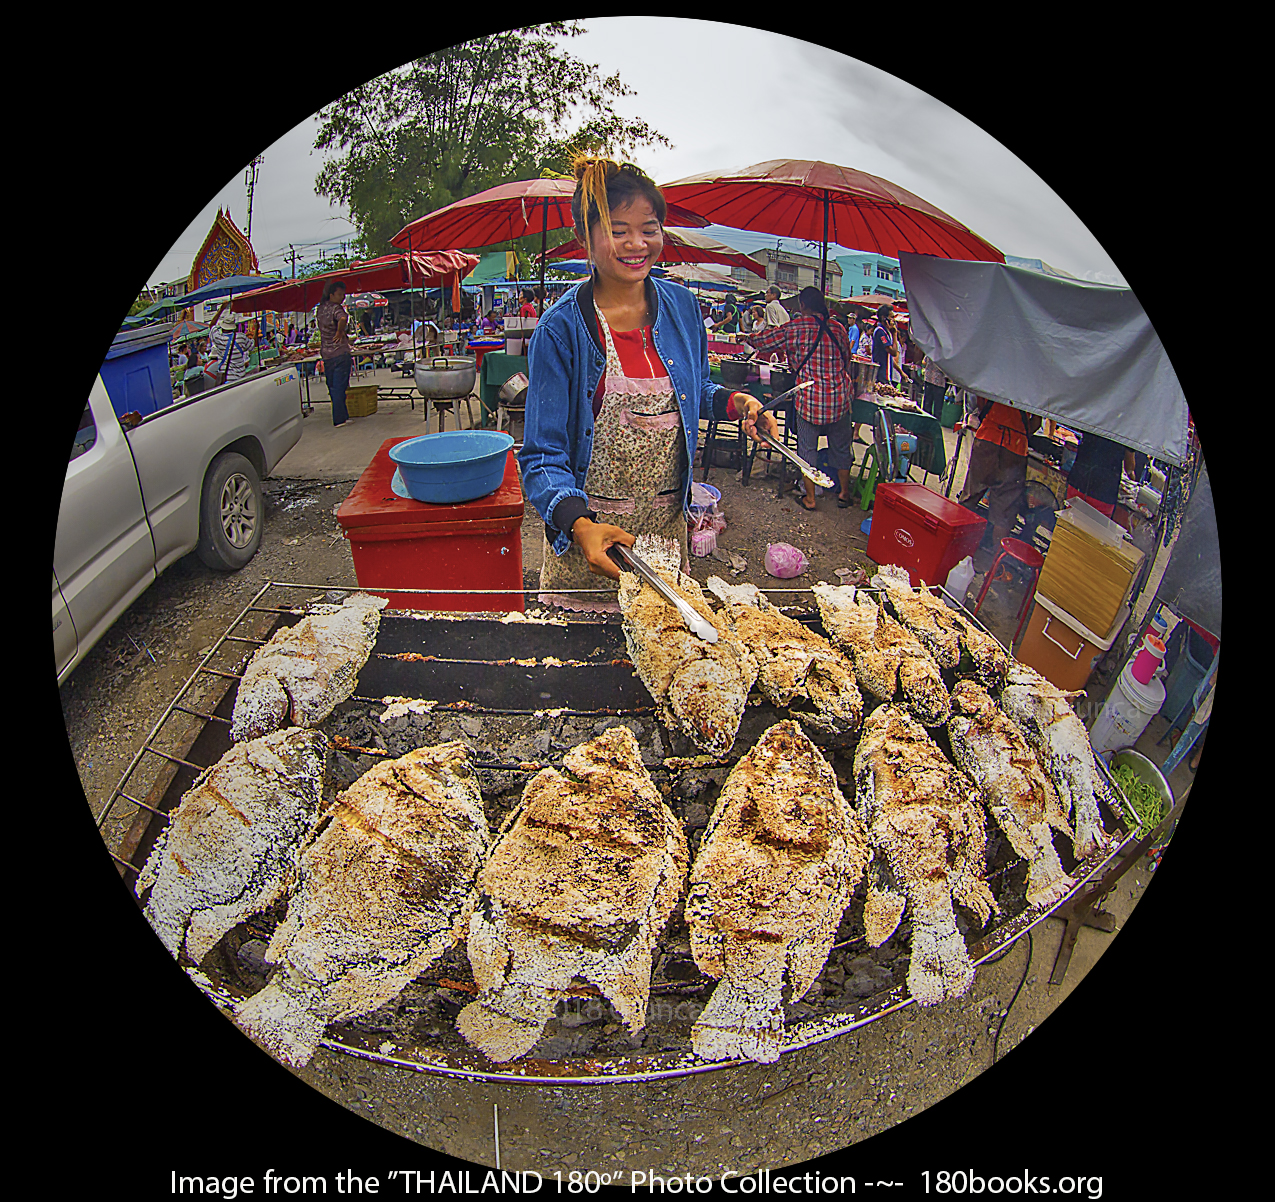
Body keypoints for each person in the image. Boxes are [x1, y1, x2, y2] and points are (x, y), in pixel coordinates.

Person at [519, 153, 778, 609]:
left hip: (664, 544)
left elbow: (694, 391)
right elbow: (542, 455)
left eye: (650, 228)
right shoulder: (561, 331)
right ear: (585, 237)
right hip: (592, 550)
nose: (637, 243)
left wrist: (737, 403)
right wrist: (580, 525)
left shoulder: (682, 308)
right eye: (618, 231)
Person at [745, 285, 856, 512]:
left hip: (810, 398)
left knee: (807, 450)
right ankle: (844, 493)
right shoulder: (839, 328)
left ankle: (811, 498)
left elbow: (765, 341)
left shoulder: (797, 327)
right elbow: (847, 360)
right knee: (841, 447)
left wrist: (746, 337)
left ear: (803, 305)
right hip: (839, 397)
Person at [959, 397, 1042, 562]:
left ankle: (956, 542)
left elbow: (981, 403)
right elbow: (1036, 423)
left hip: (989, 436)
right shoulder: (1037, 384)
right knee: (1005, 508)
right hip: (1015, 447)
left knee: (971, 494)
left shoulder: (999, 376)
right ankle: (994, 562)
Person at [1065, 431, 1138, 521]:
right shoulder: (1129, 429)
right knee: (1094, 531)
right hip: (1104, 491)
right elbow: (1129, 467)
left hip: (1079, 478)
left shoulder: (1098, 417)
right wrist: (1132, 476)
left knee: (1068, 525)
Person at [315, 279, 353, 426]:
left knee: (332, 386)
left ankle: (342, 415)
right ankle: (339, 419)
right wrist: (339, 331)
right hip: (339, 352)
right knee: (339, 387)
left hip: (326, 354)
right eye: (340, 294)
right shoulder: (336, 308)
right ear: (331, 294)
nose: (342, 297)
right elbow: (343, 318)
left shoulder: (320, 309)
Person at [204, 304, 252, 387]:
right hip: (241, 378)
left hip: (227, 381)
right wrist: (256, 330)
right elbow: (252, 346)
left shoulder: (219, 339)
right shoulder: (241, 337)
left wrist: (221, 309)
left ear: (222, 327)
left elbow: (212, 325)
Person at [871, 304, 898, 385]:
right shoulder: (880, 331)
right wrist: (895, 334)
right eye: (891, 317)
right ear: (884, 318)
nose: (893, 320)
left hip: (886, 374)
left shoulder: (886, 332)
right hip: (881, 375)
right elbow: (893, 352)